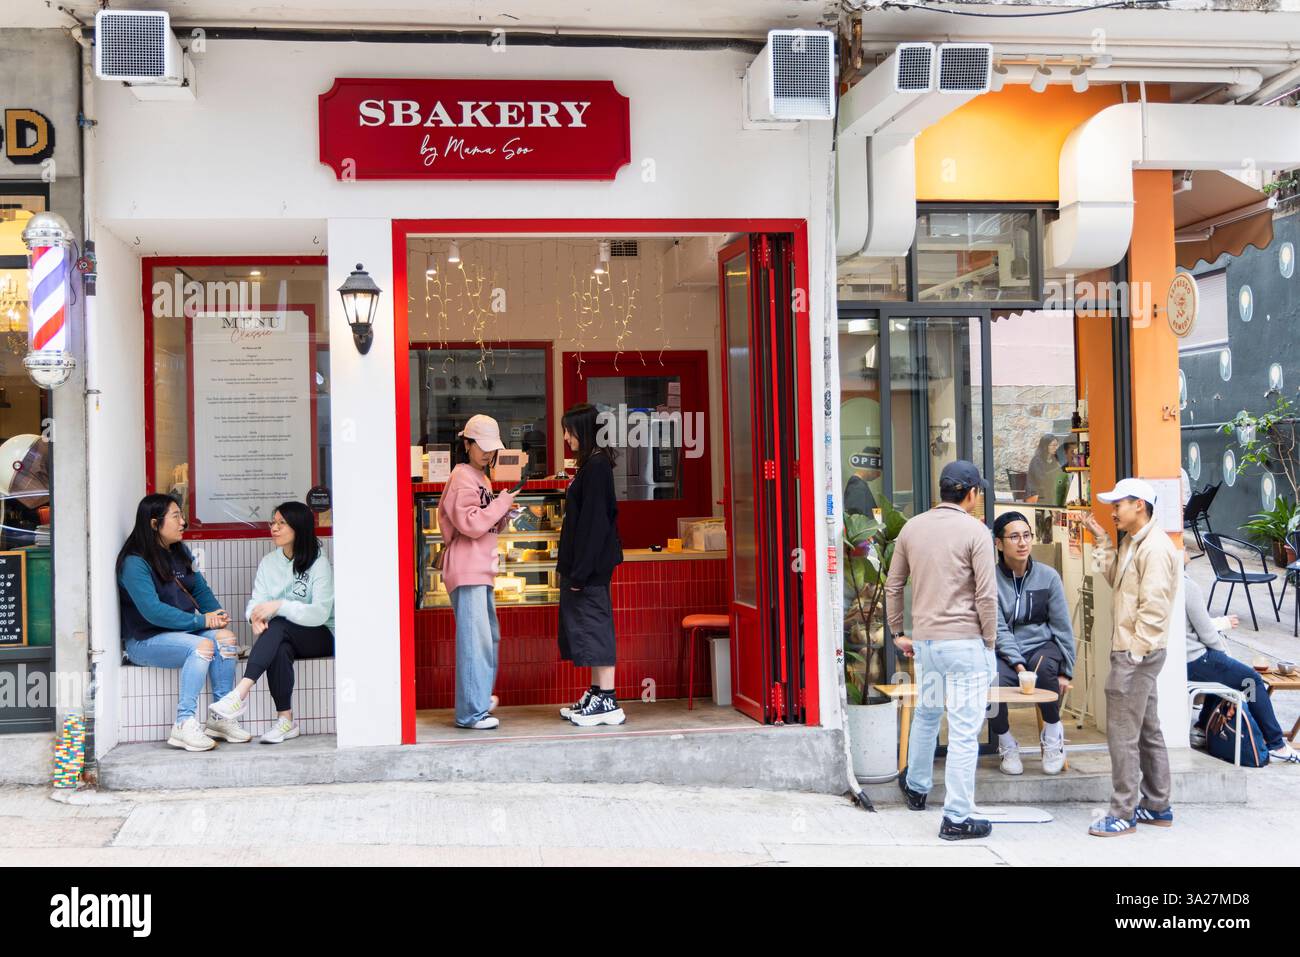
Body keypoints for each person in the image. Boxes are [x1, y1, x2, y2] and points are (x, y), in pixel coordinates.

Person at [886, 460, 999, 841]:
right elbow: (986, 594)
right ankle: (957, 816)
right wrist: (990, 641)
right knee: (965, 732)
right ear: (971, 493)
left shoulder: (912, 527)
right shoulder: (977, 532)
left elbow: (893, 584)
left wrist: (898, 632)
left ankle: (916, 787)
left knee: (927, 715)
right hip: (965, 644)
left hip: (927, 644)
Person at [1084, 478, 1180, 836]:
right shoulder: (1133, 542)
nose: (1113, 511)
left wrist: (1135, 655)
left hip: (1135, 653)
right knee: (1146, 730)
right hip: (1138, 650)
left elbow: (1153, 610)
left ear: (1139, 504)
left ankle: (1123, 811)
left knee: (1122, 733)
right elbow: (1114, 579)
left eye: (1118, 504)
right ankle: (1157, 805)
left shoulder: (1154, 548)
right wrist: (1102, 541)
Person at [117, 493, 249, 751]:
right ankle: (183, 723)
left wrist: (216, 615)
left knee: (226, 640)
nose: (183, 523)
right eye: (176, 516)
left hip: (181, 633)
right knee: (202, 647)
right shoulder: (134, 562)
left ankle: (220, 719)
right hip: (145, 640)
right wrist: (201, 620)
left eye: (182, 516)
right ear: (154, 523)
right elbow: (153, 612)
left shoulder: (179, 551)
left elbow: (199, 589)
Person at [208, 501, 335, 744]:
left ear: (299, 527)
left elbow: (320, 613)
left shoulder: (318, 563)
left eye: (281, 523)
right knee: (279, 644)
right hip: (284, 635)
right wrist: (254, 618)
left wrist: (279, 606)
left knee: (278, 625)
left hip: (321, 634)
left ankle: (239, 693)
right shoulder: (269, 562)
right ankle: (285, 721)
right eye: (273, 523)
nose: (274, 528)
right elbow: (256, 601)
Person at [439, 414, 519, 730]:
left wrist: (503, 514)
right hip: (467, 568)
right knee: (476, 642)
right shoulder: (462, 477)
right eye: (481, 447)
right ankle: (471, 712)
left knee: (486, 640)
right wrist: (499, 506)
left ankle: (478, 701)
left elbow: (482, 521)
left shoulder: (480, 478)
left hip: (479, 569)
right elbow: (470, 524)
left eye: (491, 448)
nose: (487, 453)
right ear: (467, 444)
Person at [1184, 556, 1300, 763]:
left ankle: (1202, 728)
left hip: (1180, 660)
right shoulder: (1187, 586)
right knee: (1251, 680)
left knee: (1224, 675)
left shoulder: (1163, 582)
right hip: (1194, 659)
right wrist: (1224, 656)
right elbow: (1207, 633)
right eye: (1181, 546)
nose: (1186, 550)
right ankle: (1277, 744)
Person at [990, 511, 1075, 776]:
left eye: (1026, 535)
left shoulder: (1048, 577)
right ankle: (1006, 742)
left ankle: (1052, 735)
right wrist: (1017, 666)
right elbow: (998, 629)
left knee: (1046, 670)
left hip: (1041, 645)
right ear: (999, 543)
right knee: (989, 680)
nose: (1023, 542)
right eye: (1014, 536)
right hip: (1004, 652)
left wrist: (1066, 670)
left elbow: (1062, 626)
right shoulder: (990, 579)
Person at [557, 402, 626, 727]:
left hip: (590, 568)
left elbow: (595, 524)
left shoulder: (596, 467)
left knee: (596, 626)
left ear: (582, 431)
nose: (567, 438)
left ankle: (608, 700)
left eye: (569, 431)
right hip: (586, 566)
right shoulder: (592, 465)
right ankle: (598, 691)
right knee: (591, 625)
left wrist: (581, 571)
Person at [844, 445, 881, 517]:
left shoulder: (859, 485)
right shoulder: (857, 487)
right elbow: (857, 522)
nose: (879, 474)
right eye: (879, 468)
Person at [1024, 434, 1061, 504]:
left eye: (1057, 445)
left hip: (1048, 493)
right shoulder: (1036, 460)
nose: (1056, 448)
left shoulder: (1053, 460)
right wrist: (1058, 468)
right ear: (1045, 446)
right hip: (1035, 494)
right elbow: (1042, 480)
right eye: (1054, 445)